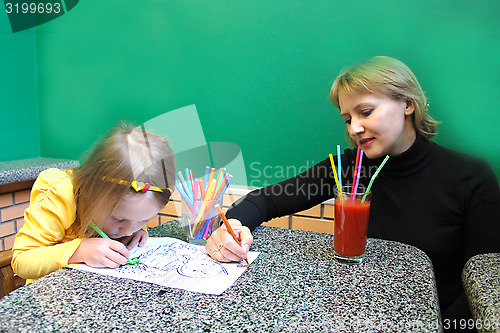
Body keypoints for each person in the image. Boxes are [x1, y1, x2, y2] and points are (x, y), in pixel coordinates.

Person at [206, 56, 500, 326]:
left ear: (407, 104)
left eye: (366, 112)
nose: (355, 128)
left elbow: (486, 285)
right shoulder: (349, 167)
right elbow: (266, 199)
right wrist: (231, 225)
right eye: (348, 119)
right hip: (351, 314)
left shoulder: (470, 176)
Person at [12, 123, 175, 284]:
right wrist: (79, 251)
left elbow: (132, 219)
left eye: (143, 220)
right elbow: (21, 261)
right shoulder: (60, 191)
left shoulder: (128, 221)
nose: (127, 230)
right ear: (91, 192)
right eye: (118, 219)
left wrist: (138, 231)